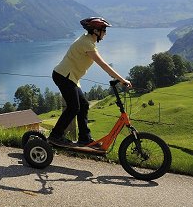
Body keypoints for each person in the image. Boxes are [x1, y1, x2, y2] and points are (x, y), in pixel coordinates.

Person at [48, 17, 132, 147]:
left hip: (70, 77)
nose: (105, 33)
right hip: (64, 76)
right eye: (104, 30)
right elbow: (103, 64)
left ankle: (84, 138)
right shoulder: (87, 44)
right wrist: (122, 80)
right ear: (95, 31)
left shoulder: (88, 40)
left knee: (84, 105)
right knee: (74, 107)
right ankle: (55, 136)